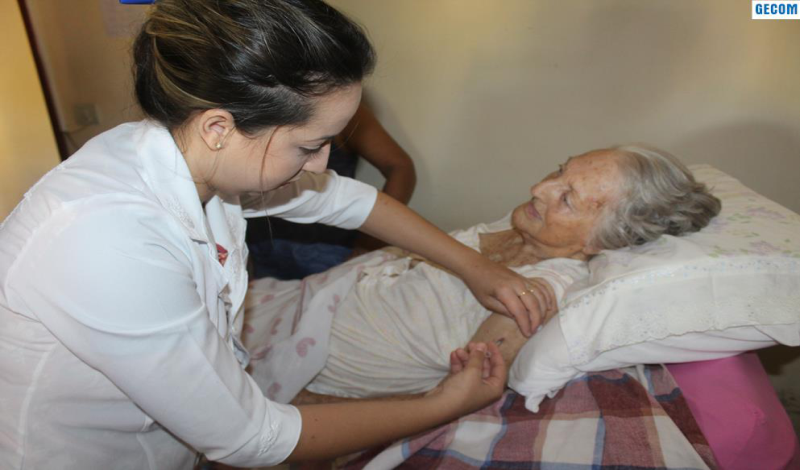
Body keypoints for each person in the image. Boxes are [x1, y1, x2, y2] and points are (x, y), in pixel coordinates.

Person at [0, 1, 549, 468]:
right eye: (310, 146)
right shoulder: (104, 239)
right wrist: (443, 403)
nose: (321, 163)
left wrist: (477, 267)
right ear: (219, 127)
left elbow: (348, 201)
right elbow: (249, 437)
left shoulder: (201, 159)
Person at [239, 145, 722, 401]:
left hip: (306, 372)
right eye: (559, 171)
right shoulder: (521, 227)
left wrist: (299, 412)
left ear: (601, 242)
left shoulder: (539, 294)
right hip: (292, 304)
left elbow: (464, 392)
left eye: (567, 198)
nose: (539, 188)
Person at [246, 101, 416, 279]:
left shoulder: (344, 109)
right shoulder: (262, 102)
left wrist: (367, 244)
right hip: (262, 243)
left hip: (329, 251)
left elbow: (400, 167)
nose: (318, 166)